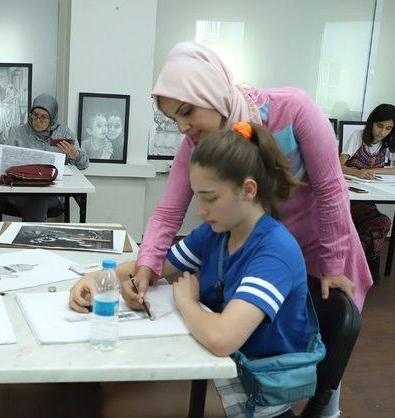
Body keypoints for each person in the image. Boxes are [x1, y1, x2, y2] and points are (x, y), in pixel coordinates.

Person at [132, 41, 368, 418]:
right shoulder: (199, 155)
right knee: (261, 335)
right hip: (254, 240)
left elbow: (330, 188)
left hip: (318, 242)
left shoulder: (294, 110)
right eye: (173, 118)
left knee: (319, 350)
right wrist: (145, 266)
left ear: (210, 91)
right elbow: (167, 213)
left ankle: (322, 405)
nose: (183, 126)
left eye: (187, 111)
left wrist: (333, 262)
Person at [70, 122, 308, 418]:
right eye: (198, 197)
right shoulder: (218, 231)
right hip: (220, 358)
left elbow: (223, 339)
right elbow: (157, 266)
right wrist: (97, 277)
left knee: (119, 407)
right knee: (111, 380)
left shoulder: (275, 251)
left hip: (258, 382)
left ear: (248, 190)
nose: (201, 210)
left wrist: (186, 302)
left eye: (210, 198)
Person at [3, 94, 89, 221]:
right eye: (35, 115)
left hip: (51, 191)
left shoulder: (64, 132)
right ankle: (35, 236)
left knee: (39, 198)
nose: (38, 120)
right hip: (19, 189)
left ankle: (30, 236)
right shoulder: (18, 132)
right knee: (36, 199)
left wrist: (74, 154)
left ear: (53, 117)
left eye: (44, 117)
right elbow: (4, 160)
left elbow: (84, 165)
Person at [340, 103, 395, 280]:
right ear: (372, 122)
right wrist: (358, 172)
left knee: (382, 223)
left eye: (388, 128)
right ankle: (363, 269)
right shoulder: (358, 136)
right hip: (349, 199)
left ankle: (354, 266)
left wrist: (376, 170)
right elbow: (338, 165)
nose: (382, 132)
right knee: (380, 223)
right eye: (379, 126)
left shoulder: (387, 143)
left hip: (367, 198)